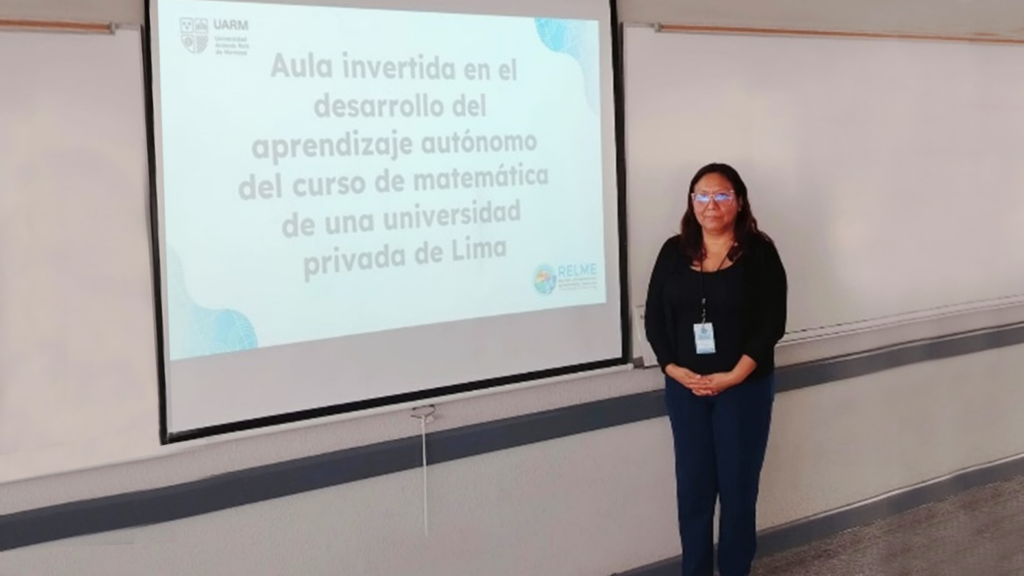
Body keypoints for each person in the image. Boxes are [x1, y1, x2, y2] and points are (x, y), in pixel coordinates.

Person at [644, 162, 787, 576]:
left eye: (722, 195)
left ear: (739, 202)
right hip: (686, 390)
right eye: (702, 195)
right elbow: (654, 319)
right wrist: (672, 368)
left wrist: (735, 375)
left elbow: (772, 323)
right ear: (691, 202)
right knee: (694, 493)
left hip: (744, 390)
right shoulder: (673, 252)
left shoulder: (760, 253)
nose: (711, 204)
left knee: (738, 494)